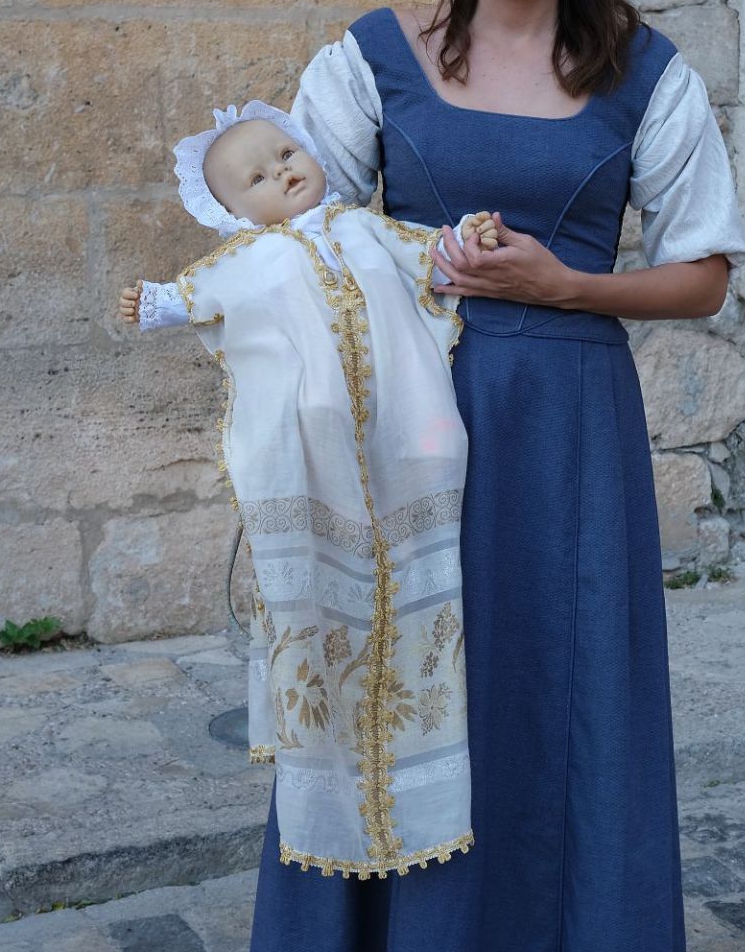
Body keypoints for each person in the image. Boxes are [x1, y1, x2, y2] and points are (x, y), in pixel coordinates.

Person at [239, 0, 745, 952]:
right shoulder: (376, 57)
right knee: (411, 717)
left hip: (562, 437)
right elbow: (294, 227)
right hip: (404, 428)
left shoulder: (645, 73)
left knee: (542, 722)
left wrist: (566, 283)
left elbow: (704, 274)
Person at [120, 100, 498, 879]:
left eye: (287, 153)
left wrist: (468, 238)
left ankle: (424, 782)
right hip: (314, 467)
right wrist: (152, 301)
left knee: (421, 608)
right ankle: (336, 790)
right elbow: (194, 296)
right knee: (329, 612)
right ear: (230, 210)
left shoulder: (364, 228)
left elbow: (427, 255)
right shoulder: (248, 260)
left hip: (408, 451)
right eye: (257, 177)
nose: (283, 173)